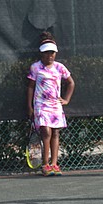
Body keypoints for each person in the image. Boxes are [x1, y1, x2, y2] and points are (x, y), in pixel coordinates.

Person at [27, 32, 75, 176]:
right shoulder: (35, 67)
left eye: (52, 53)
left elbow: (71, 83)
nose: (50, 56)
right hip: (41, 105)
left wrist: (66, 99)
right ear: (41, 54)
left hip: (55, 106)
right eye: (47, 53)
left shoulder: (60, 67)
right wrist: (29, 107)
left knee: (55, 132)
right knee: (46, 132)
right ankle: (45, 164)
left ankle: (54, 164)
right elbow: (30, 87)